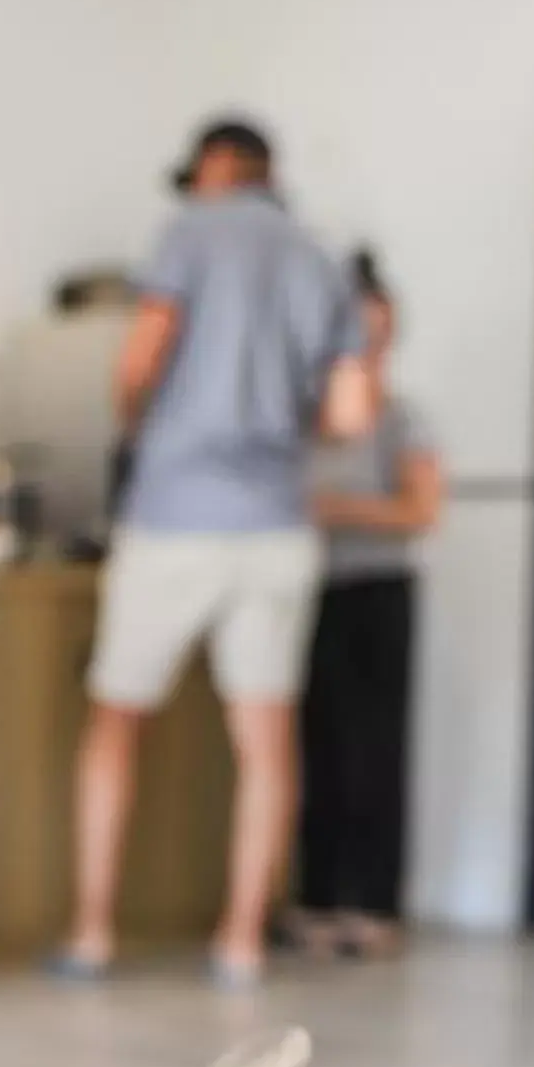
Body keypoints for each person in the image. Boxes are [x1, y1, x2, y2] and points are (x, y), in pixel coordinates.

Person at [62, 117, 375, 987]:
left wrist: (142, 428)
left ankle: (91, 931)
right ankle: (239, 941)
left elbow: (140, 359)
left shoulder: (188, 233)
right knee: (267, 742)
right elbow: (351, 415)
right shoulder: (322, 259)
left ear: (216, 166)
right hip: (278, 524)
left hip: (174, 518)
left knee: (117, 720)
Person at [296, 247, 443, 960]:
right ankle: (316, 898)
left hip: (379, 592)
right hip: (307, 590)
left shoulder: (403, 420)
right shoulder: (301, 417)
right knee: (314, 749)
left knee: (374, 753)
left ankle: (374, 904)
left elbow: (420, 511)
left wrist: (334, 507)